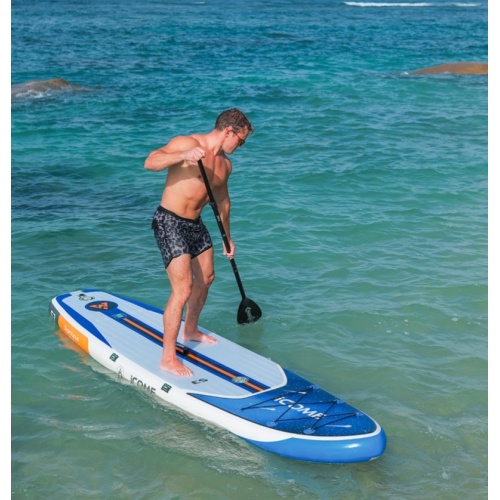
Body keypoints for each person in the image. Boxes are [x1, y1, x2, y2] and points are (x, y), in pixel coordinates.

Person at [144, 108, 254, 376]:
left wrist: (227, 238)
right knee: (183, 289)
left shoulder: (224, 165)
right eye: (240, 141)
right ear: (228, 131)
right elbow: (151, 161)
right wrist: (183, 156)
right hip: (170, 221)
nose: (240, 146)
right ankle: (167, 357)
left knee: (207, 278)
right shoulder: (188, 144)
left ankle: (190, 329)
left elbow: (223, 202)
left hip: (195, 224)